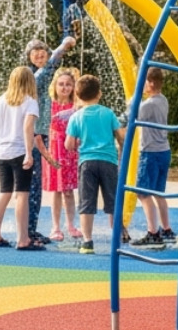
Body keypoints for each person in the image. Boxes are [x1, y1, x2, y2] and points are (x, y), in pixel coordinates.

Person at [64, 73, 128, 255]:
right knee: (113, 201)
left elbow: (68, 144)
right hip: (108, 161)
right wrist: (121, 150)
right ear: (99, 94)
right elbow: (120, 137)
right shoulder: (108, 113)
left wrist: (78, 142)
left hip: (87, 163)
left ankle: (87, 241)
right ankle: (118, 236)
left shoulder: (76, 117)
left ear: (77, 95)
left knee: (86, 202)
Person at [0, 66, 47, 250]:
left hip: (2, 152)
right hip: (20, 151)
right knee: (22, 194)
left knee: (4, 193)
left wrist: (5, 137)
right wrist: (29, 153)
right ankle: (23, 239)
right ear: (30, 82)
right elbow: (28, 127)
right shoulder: (29, 102)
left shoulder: (1, 100)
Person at [25, 35, 76, 245]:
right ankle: (30, 230)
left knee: (32, 188)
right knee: (34, 188)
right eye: (34, 51)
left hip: (40, 138)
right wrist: (64, 45)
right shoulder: (35, 78)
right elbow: (50, 66)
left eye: (42, 50)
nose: (39, 53)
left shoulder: (30, 79)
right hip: (38, 139)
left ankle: (30, 229)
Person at [134, 67, 175, 246]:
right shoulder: (163, 100)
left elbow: (132, 117)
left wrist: (132, 100)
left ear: (150, 83)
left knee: (143, 194)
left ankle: (153, 232)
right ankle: (166, 229)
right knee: (158, 193)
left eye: (142, 81)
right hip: (163, 151)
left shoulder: (148, 104)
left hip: (150, 152)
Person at [44, 67, 81, 242]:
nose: (65, 88)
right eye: (61, 84)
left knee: (68, 190)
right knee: (57, 191)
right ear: (55, 86)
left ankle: (71, 225)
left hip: (71, 149)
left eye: (68, 84)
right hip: (54, 150)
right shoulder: (49, 104)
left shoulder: (77, 106)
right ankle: (56, 226)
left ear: (73, 87)